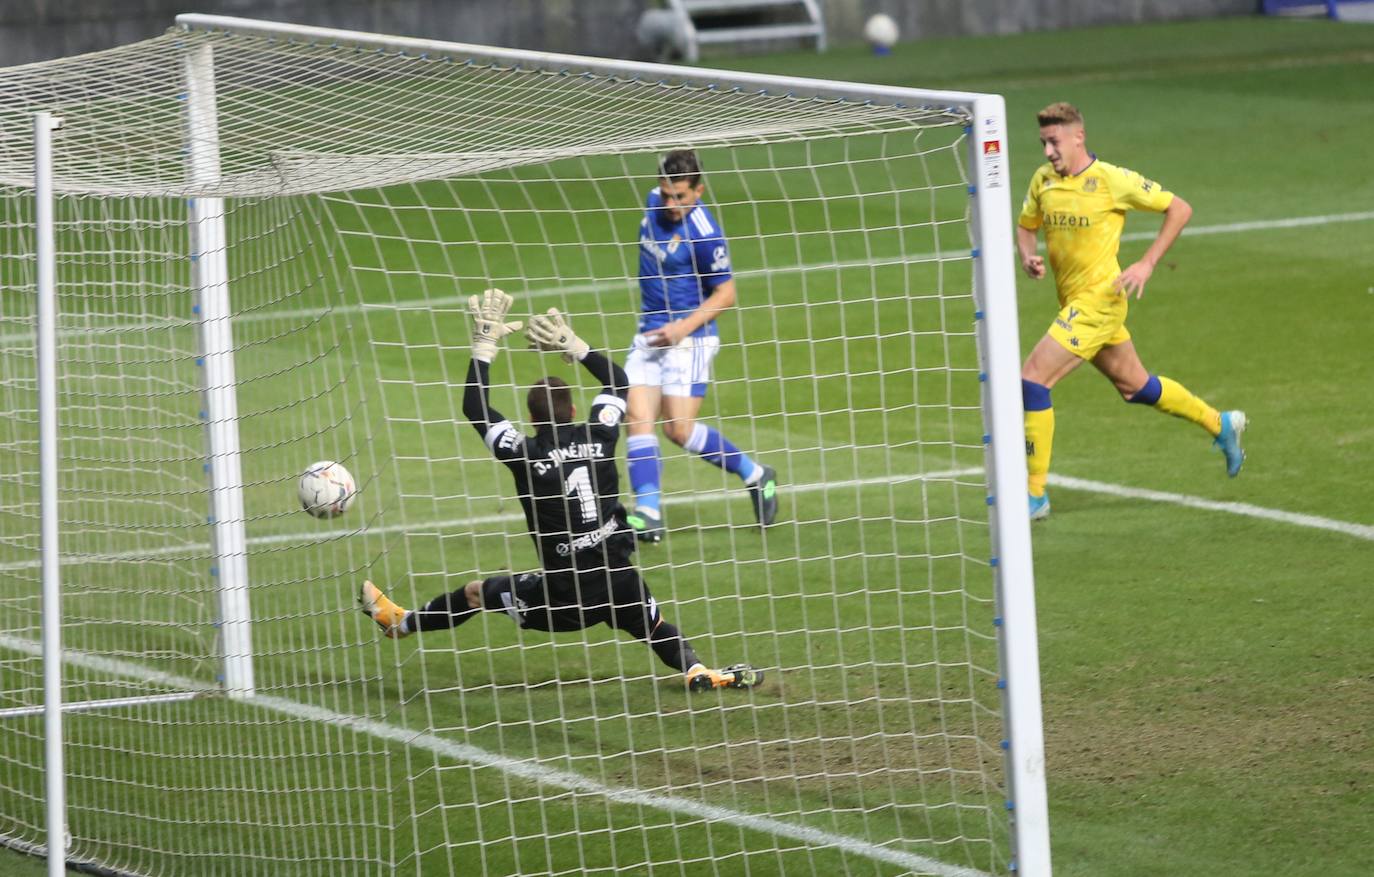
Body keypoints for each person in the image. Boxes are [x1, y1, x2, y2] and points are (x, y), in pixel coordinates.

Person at [359, 289, 761, 692]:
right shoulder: (600, 434)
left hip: (563, 596)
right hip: (619, 577)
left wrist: (484, 346)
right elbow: (619, 381)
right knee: (654, 626)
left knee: (476, 593)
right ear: (572, 412)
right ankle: (697, 669)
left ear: (531, 419)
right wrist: (577, 347)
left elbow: (476, 409)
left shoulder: (525, 452)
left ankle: (400, 624)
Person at [1016, 102, 1246, 521]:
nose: (1048, 151)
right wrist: (1027, 256)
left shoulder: (1111, 180)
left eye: (1054, 141)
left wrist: (1147, 262)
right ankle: (1220, 423)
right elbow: (1027, 224)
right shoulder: (1043, 180)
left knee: (1032, 380)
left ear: (1078, 137)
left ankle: (1034, 494)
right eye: (1044, 143)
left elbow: (1180, 208)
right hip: (1074, 303)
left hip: (1101, 300)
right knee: (1136, 387)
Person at [623, 148, 778, 543]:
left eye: (681, 196)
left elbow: (726, 295)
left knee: (677, 429)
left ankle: (756, 475)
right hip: (649, 332)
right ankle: (648, 512)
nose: (671, 204)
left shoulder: (707, 236)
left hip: (690, 338)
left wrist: (681, 328)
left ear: (699, 191)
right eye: (666, 193)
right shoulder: (654, 201)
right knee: (637, 418)